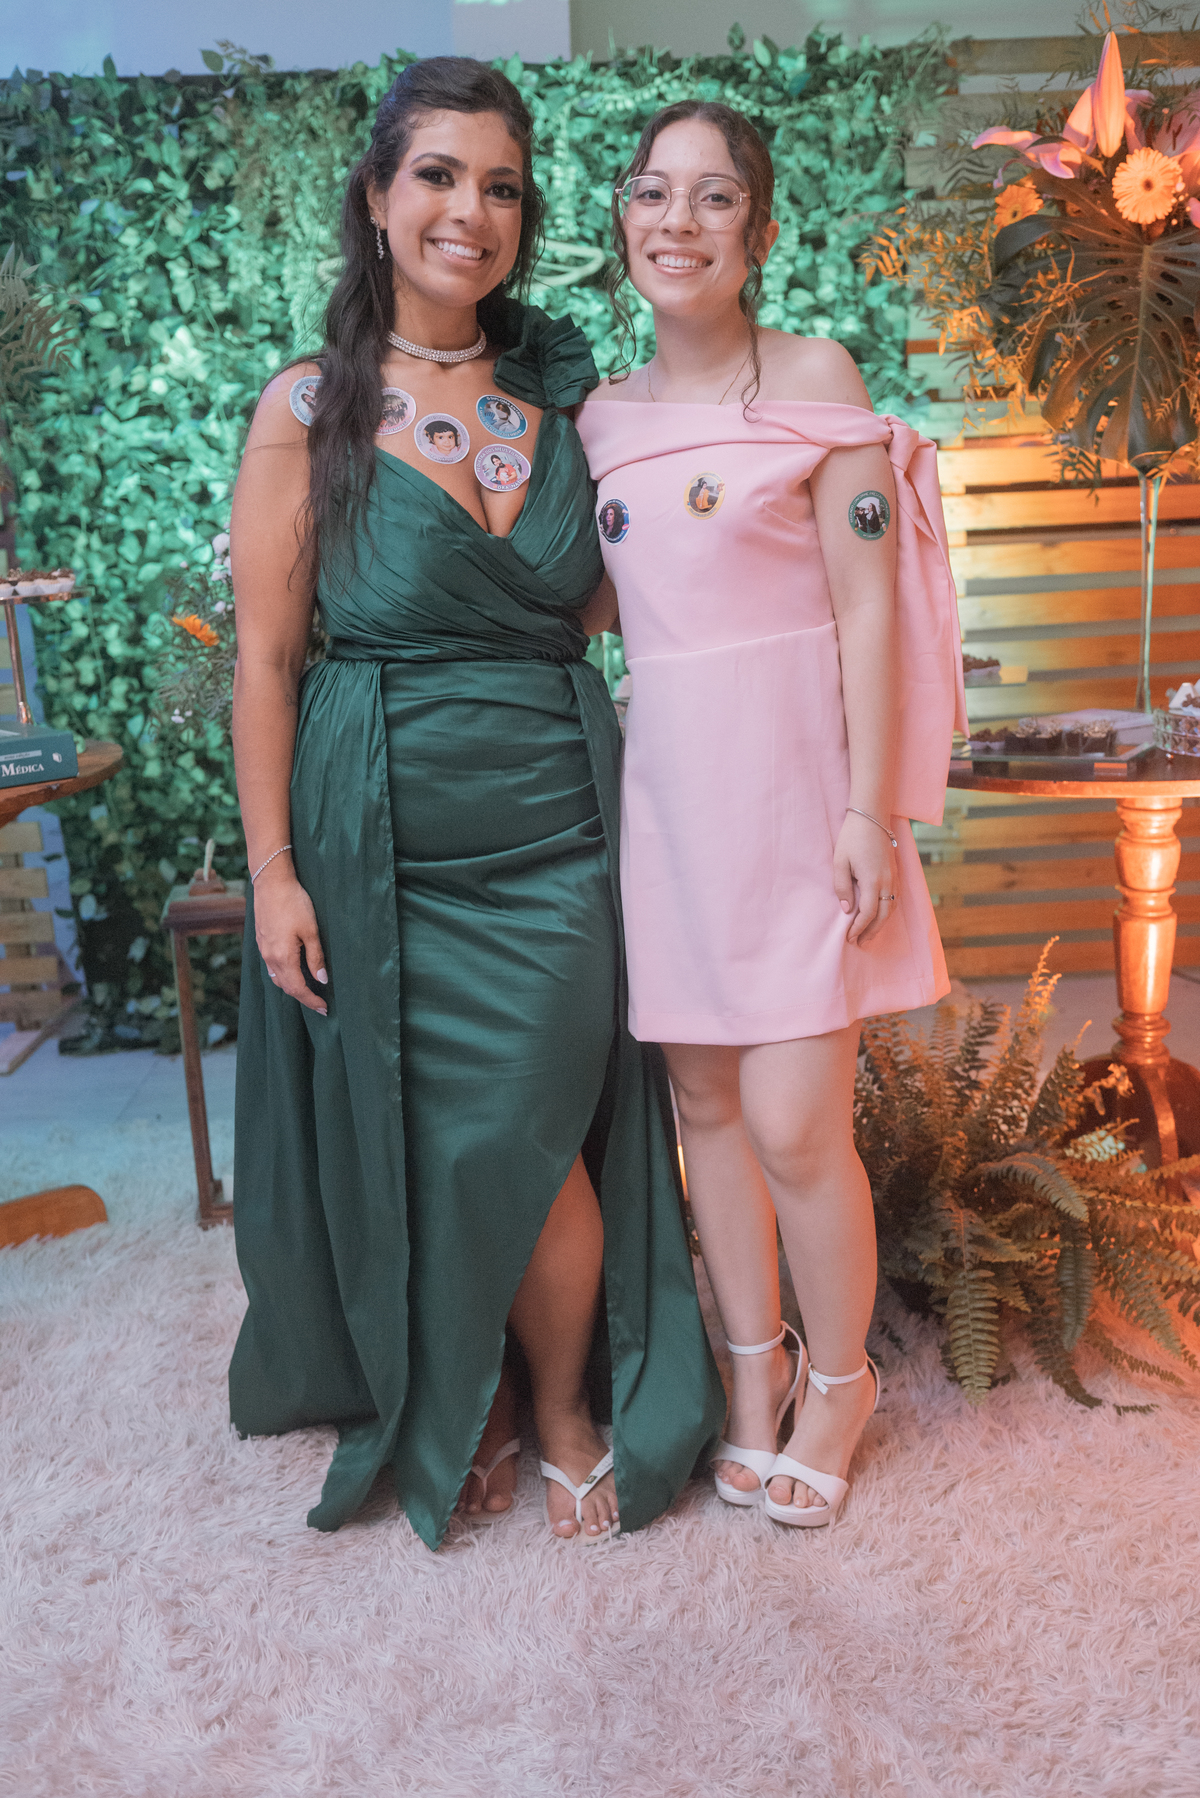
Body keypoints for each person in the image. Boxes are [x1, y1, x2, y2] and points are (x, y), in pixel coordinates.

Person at [228, 60, 724, 1549]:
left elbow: (641, 590)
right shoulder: (307, 405)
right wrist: (273, 870)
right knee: (444, 1142)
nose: (470, 210)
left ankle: (558, 1396)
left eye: (501, 186)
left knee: (537, 1127)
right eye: (438, 175)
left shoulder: (571, 396)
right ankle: (489, 1393)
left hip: (563, 830)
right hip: (383, 837)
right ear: (379, 195)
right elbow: (265, 658)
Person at [577, 101, 965, 1528]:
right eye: (652, 192)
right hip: (673, 796)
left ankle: (843, 1382)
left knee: (798, 1120)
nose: (677, 221)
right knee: (705, 1109)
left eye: (714, 196)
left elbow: (871, 608)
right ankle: (755, 1373)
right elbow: (604, 601)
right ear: (622, 219)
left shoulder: (815, 376)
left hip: (803, 788)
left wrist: (871, 811)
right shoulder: (598, 417)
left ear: (761, 228)